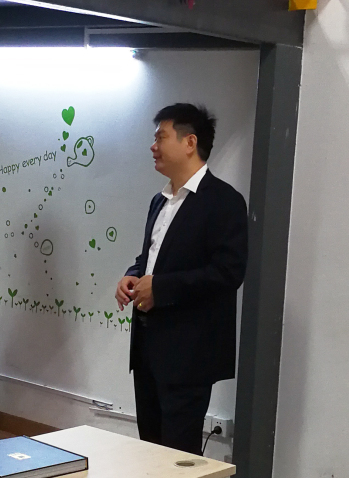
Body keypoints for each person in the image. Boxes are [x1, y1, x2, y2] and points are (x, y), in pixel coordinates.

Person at [115, 103, 248, 455]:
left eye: (161, 137)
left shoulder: (224, 202)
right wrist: (132, 276)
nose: (153, 146)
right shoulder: (159, 201)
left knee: (178, 456)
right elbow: (152, 258)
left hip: (189, 354)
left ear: (190, 143)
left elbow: (228, 272)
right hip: (147, 348)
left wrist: (160, 288)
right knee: (151, 450)